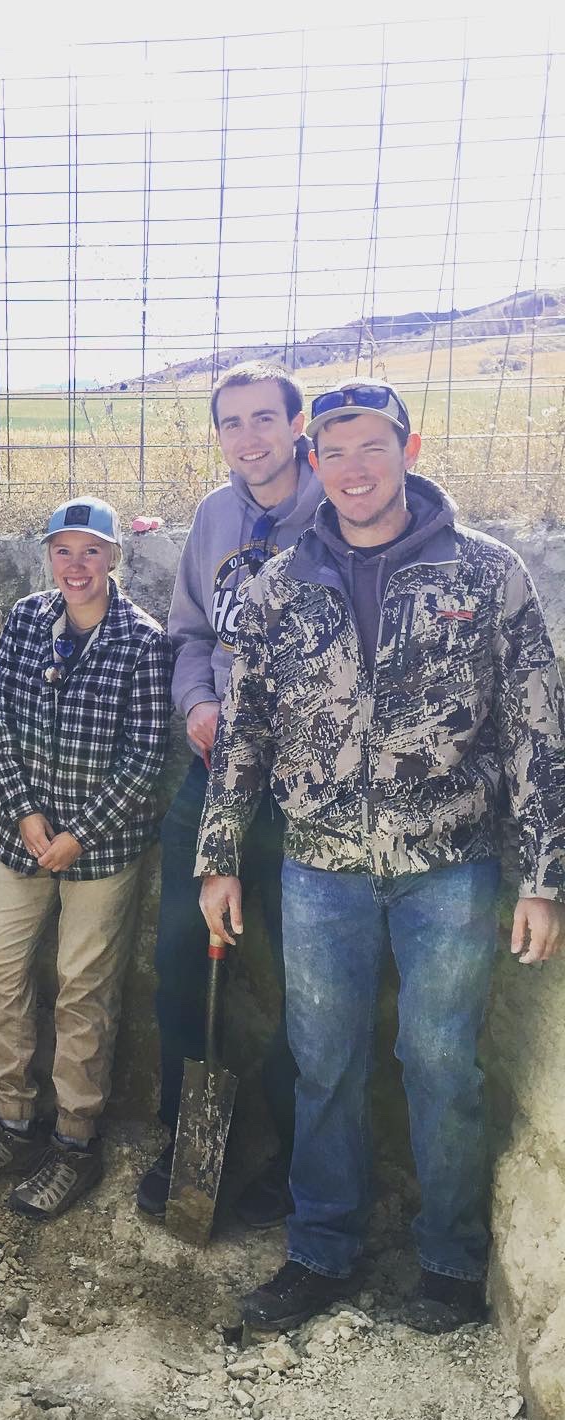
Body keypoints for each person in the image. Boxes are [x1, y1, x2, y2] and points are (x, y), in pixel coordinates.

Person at [197, 379, 565, 1334]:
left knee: (441, 1060)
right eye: (336, 451)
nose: (353, 469)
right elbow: (245, 728)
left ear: (409, 446)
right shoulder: (280, 583)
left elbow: (535, 732)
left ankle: (449, 1260)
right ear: (312, 460)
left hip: (451, 868)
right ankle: (323, 1249)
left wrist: (544, 878)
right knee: (325, 1061)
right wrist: (220, 857)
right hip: (320, 870)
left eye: (372, 447)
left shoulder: (487, 575)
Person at [0, 497, 173, 1220]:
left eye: (91, 552)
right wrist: (28, 813)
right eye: (63, 551)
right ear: (49, 556)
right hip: (23, 839)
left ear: (114, 559)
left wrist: (79, 833)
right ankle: (12, 1121)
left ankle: (75, 1140)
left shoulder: (142, 641)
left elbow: (146, 757)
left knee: (82, 989)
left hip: (100, 851)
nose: (76, 566)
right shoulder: (26, 620)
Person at [137, 361, 322, 1227]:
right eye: (231, 424)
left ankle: (295, 1164)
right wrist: (198, 703)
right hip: (213, 779)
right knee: (180, 954)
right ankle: (185, 1139)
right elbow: (189, 635)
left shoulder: (339, 509)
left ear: (296, 426)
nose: (248, 438)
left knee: (303, 978)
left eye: (263, 419)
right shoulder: (214, 517)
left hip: (306, 790)